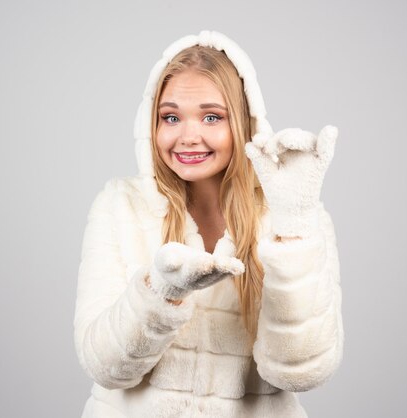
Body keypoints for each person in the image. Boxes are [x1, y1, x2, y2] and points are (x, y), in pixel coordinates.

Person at [73, 30, 343, 417]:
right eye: (170, 117)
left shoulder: (292, 213)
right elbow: (104, 367)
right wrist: (161, 292)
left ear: (244, 124)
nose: (188, 136)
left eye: (212, 116)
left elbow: (303, 372)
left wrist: (293, 227)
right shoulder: (119, 207)